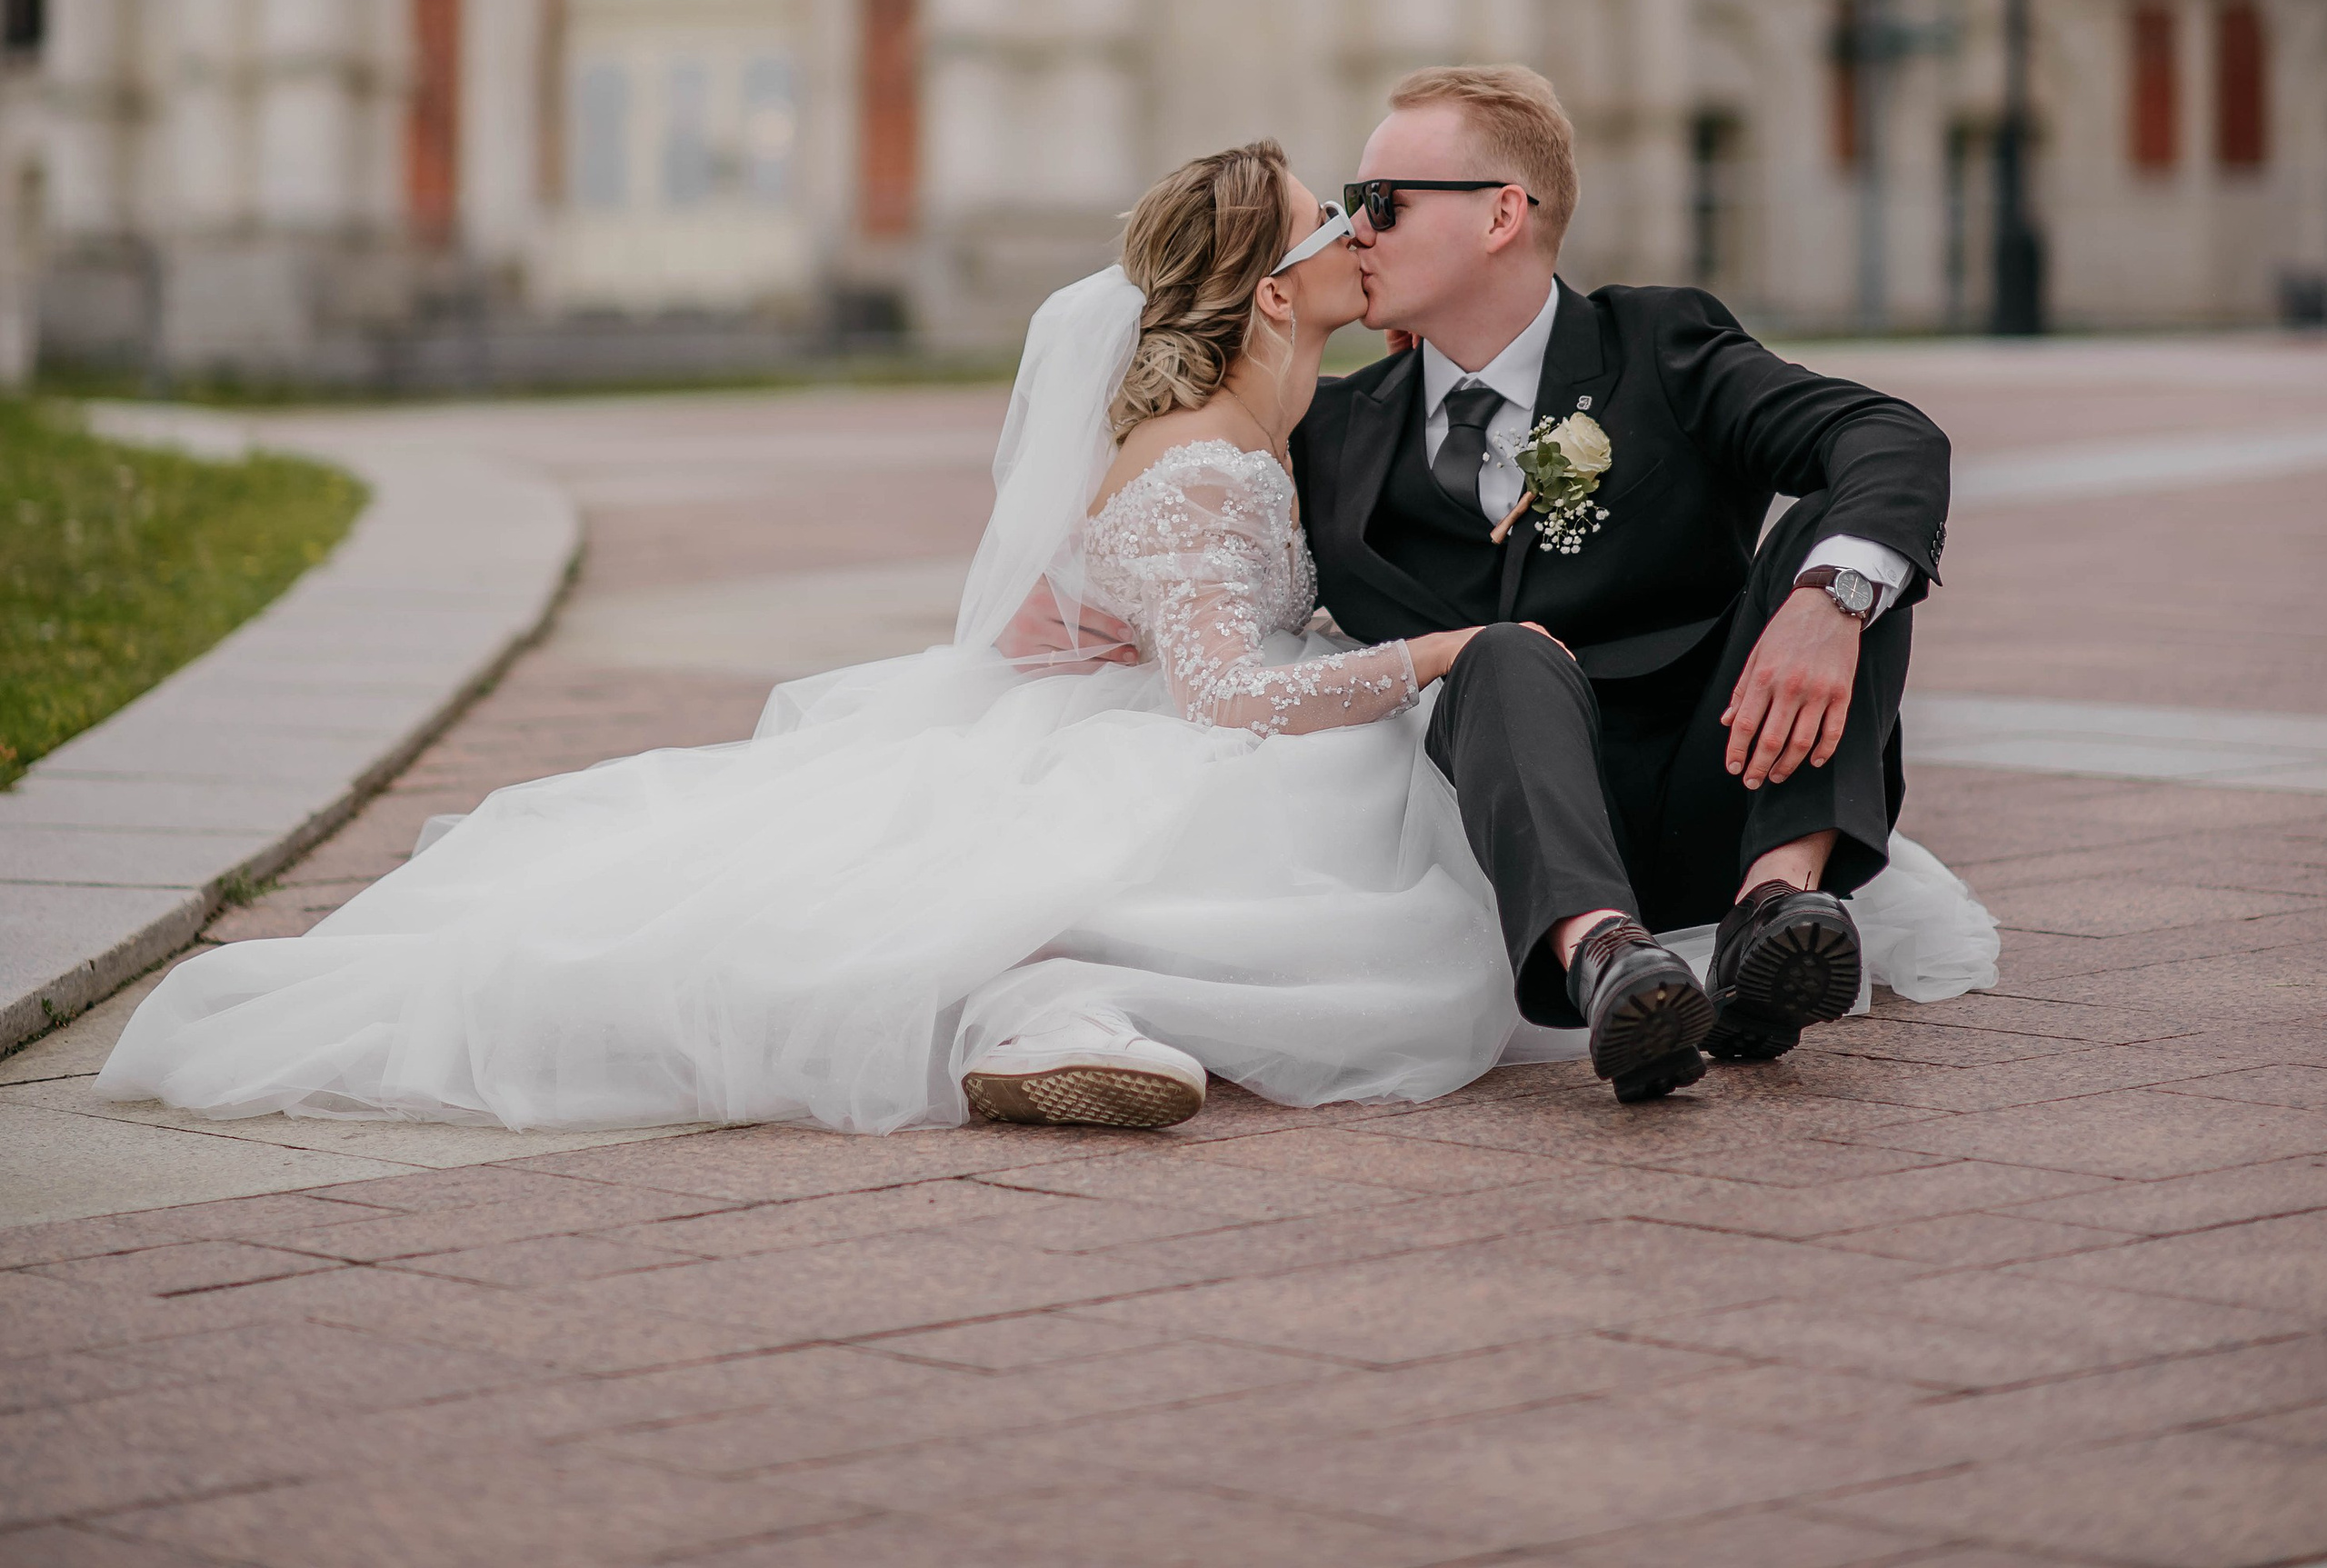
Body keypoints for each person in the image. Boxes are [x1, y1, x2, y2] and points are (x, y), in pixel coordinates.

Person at [95, 146, 1524, 1135]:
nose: (1360, 229)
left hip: (1114, 708)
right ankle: (1047, 1013)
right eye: (1334, 217)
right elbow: (1223, 688)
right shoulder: (1205, 459)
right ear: (1277, 290)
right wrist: (1441, 653)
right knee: (1281, 822)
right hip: (1186, 731)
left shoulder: (1243, 437)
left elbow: (1133, 609)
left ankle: (1058, 1002)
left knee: (1272, 814)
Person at [1294, 61, 1970, 1104]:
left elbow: (1885, 434)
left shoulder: (1658, 345)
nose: (1354, 230)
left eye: (1379, 201)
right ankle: (1608, 959)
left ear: (1501, 215)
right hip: (1502, 841)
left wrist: (1826, 606)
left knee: (1843, 550)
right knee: (1502, 649)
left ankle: (1771, 914)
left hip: (1721, 776)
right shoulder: (1331, 431)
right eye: (1349, 206)